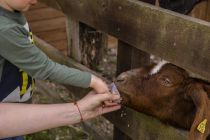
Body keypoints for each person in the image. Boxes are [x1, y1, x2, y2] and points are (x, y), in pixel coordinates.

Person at [0, 0, 121, 139]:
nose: (35, 1)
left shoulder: (13, 14)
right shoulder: (4, 29)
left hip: (14, 116)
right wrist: (92, 80)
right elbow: (44, 68)